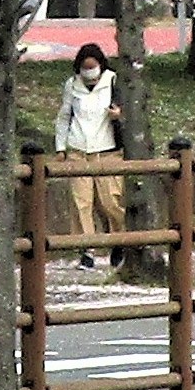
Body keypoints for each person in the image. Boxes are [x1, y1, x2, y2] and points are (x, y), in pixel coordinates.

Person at [52, 44, 125, 253]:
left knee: (111, 201)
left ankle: (118, 242)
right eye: (85, 68)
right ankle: (86, 249)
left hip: (108, 150)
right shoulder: (72, 85)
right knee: (81, 202)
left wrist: (118, 115)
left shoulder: (113, 80)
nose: (89, 73)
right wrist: (60, 147)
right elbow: (64, 116)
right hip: (79, 149)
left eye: (93, 68)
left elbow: (126, 109)